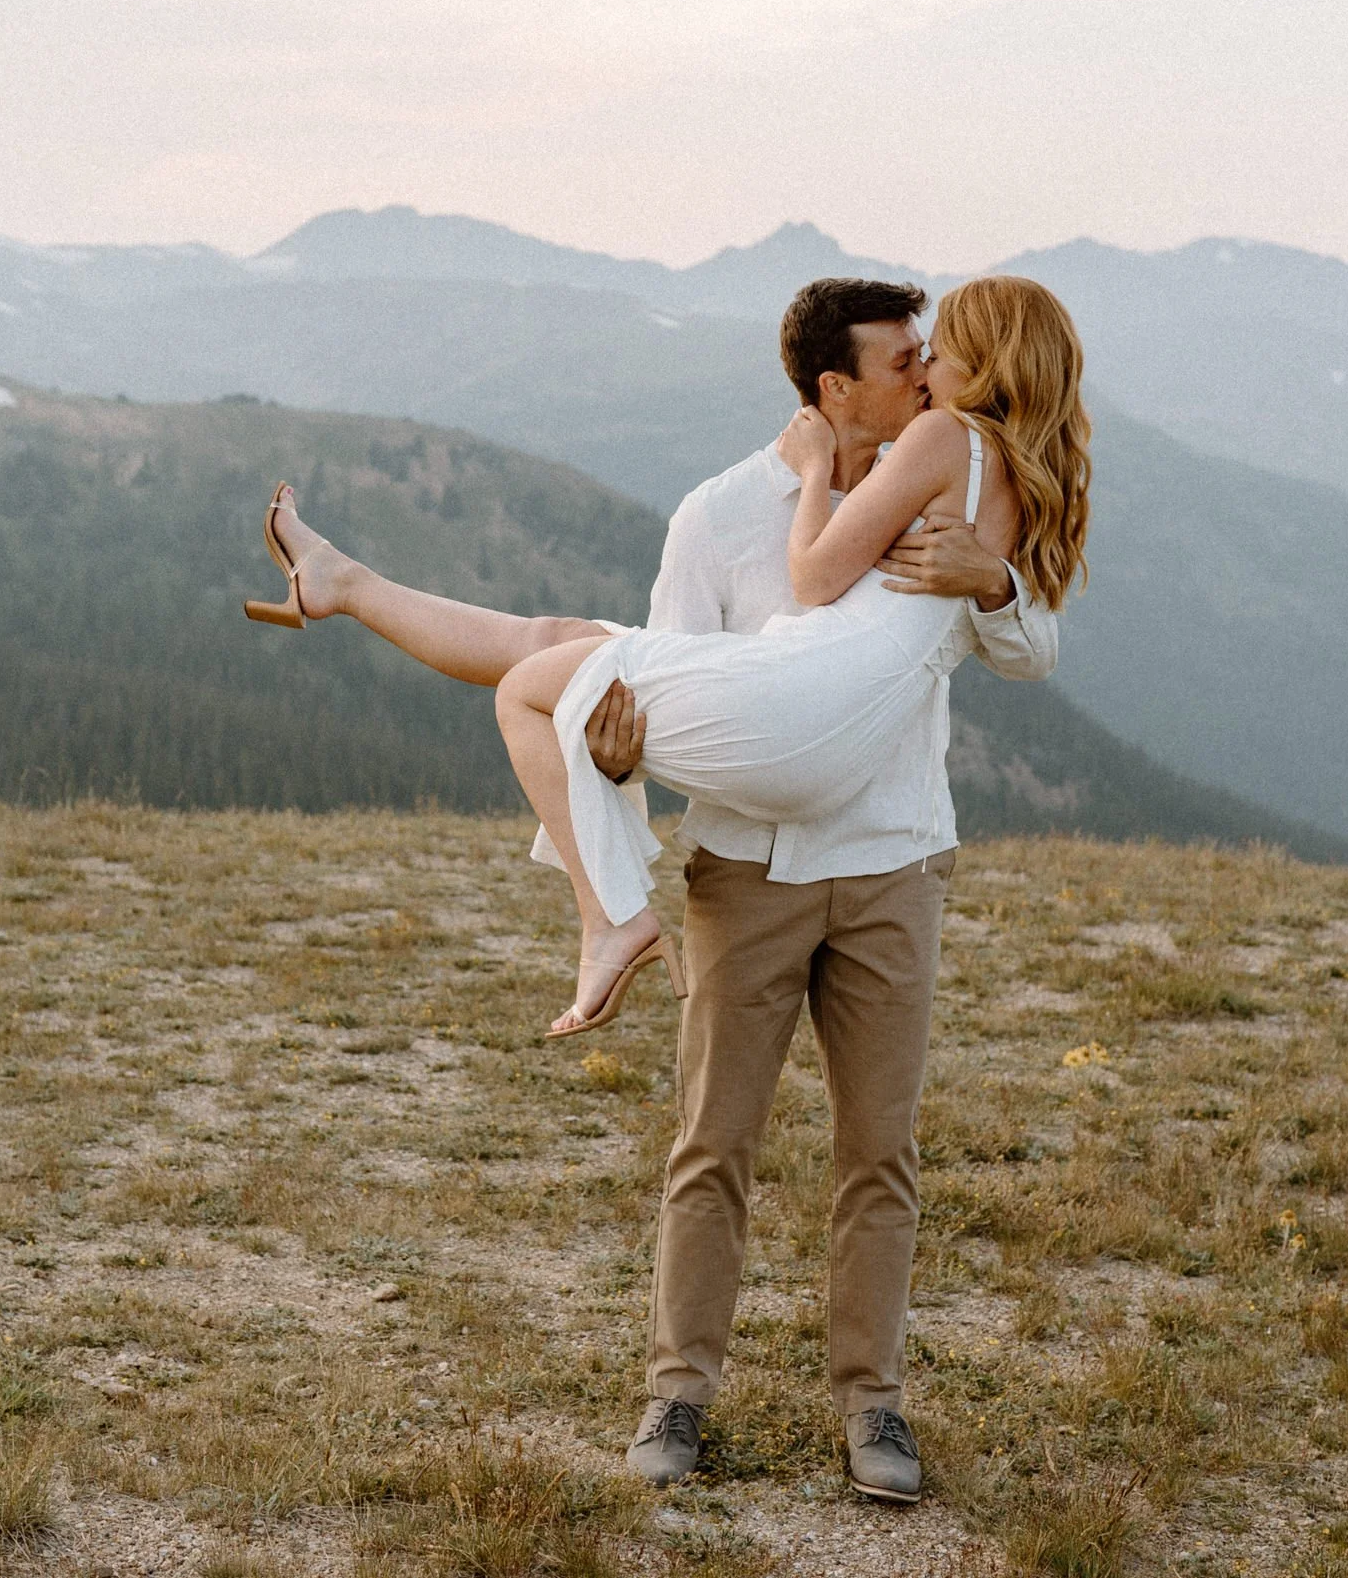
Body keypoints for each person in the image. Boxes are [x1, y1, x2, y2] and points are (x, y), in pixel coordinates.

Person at [247, 274, 1089, 1500]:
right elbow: (652, 684)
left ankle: (874, 1408)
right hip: (748, 864)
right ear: (830, 388)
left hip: (890, 860)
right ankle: (677, 1394)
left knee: (880, 1152)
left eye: (932, 353)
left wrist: (990, 583)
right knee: (712, 1143)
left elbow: (1034, 644)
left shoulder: (947, 462)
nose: (921, 370)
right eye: (900, 359)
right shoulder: (720, 514)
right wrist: (615, 756)